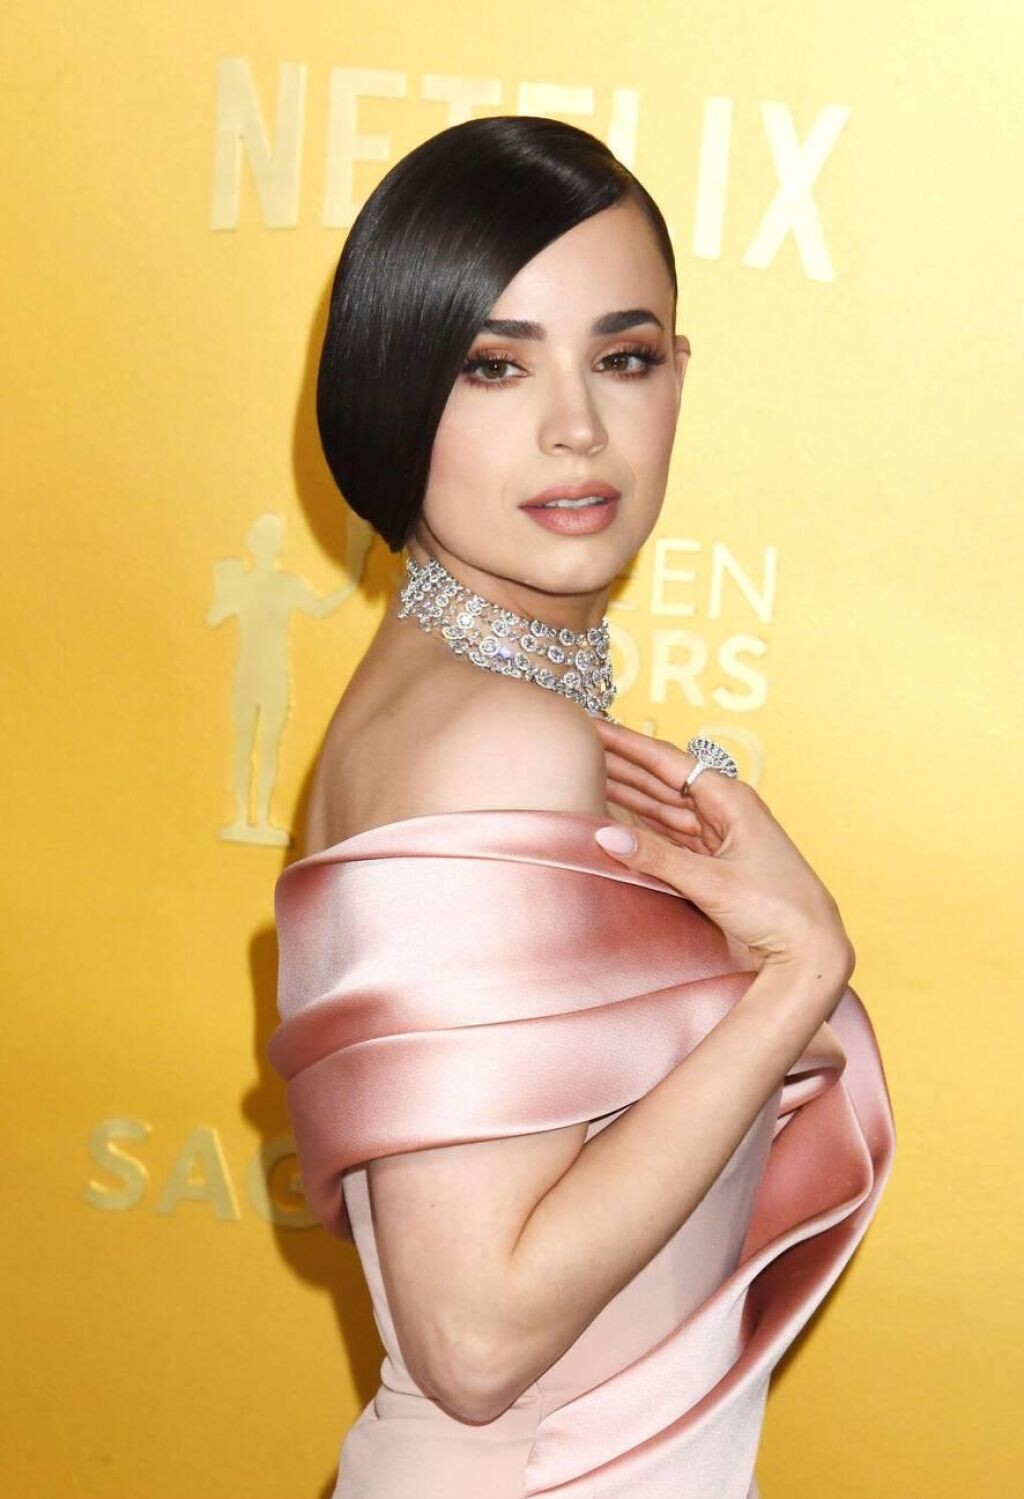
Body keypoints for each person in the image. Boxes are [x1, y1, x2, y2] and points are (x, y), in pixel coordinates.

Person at [268, 115, 895, 1499]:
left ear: (680, 377)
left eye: (624, 357)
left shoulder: (451, 705)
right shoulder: (498, 740)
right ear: (393, 385)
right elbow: (474, 1338)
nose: (576, 427)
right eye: (494, 365)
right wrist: (798, 976)